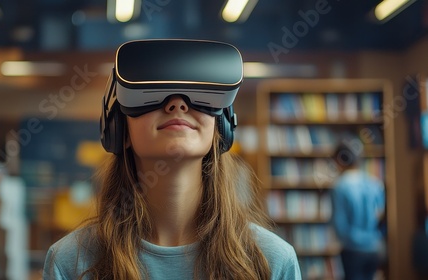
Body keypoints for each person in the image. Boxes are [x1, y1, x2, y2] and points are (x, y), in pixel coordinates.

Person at [43, 39, 301, 280]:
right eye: (153, 93)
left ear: (220, 128)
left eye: (197, 95)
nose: (177, 104)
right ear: (120, 130)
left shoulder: (271, 261)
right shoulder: (70, 262)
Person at [330, 138, 386, 280]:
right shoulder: (374, 183)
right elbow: (381, 217)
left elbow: (340, 227)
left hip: (352, 250)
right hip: (374, 248)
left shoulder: (340, 186)